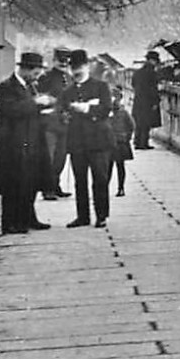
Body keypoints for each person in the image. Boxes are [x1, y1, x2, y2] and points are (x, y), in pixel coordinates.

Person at [0, 52, 57, 235]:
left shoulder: (30, 87)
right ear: (26, 70)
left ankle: (28, 217)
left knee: (30, 181)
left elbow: (30, 109)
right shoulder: (7, 87)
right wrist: (36, 103)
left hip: (32, 140)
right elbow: (12, 110)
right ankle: (11, 223)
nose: (36, 77)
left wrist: (46, 106)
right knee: (13, 184)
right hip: (13, 143)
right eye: (35, 73)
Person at [60, 51, 115, 228]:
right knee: (80, 181)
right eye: (73, 68)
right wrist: (65, 115)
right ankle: (82, 216)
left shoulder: (101, 86)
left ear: (87, 66)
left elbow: (106, 109)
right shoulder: (67, 92)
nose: (76, 71)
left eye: (79, 67)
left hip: (99, 141)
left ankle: (101, 215)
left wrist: (86, 109)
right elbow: (61, 112)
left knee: (100, 178)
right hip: (78, 141)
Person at [35, 48, 73, 200]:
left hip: (64, 123)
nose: (64, 63)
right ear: (54, 60)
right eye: (61, 60)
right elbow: (38, 97)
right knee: (49, 157)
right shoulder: (46, 77)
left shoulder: (70, 78)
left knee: (60, 157)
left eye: (66, 60)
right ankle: (47, 188)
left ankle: (56, 185)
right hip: (49, 123)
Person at [131, 50, 164, 150]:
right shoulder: (152, 73)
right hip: (148, 101)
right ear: (152, 61)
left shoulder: (137, 72)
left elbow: (133, 84)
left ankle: (137, 142)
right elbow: (153, 88)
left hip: (138, 100)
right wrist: (155, 101)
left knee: (139, 122)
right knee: (146, 123)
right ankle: (143, 143)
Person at [109, 88, 135, 198]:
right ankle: (107, 187)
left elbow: (131, 126)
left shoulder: (123, 113)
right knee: (108, 167)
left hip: (120, 142)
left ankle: (121, 187)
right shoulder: (106, 113)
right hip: (109, 142)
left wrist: (127, 137)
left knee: (119, 166)